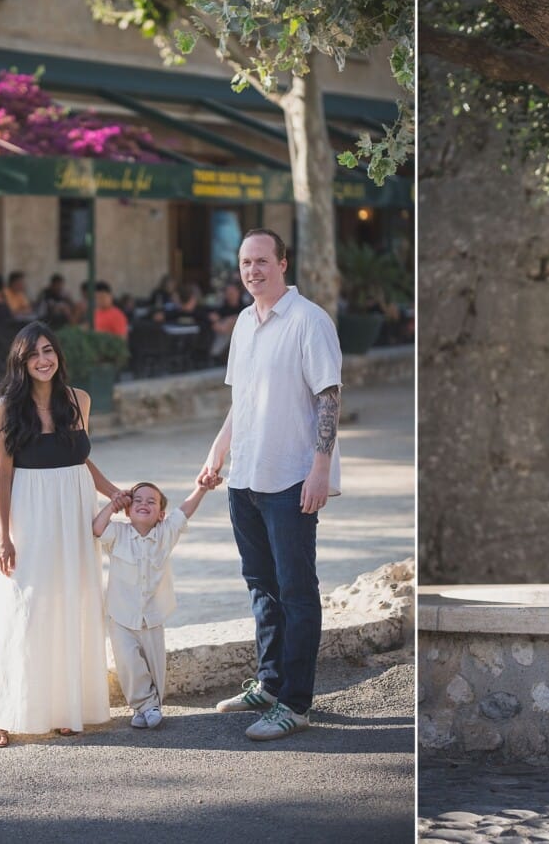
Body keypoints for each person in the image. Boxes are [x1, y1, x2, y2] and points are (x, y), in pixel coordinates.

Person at [199, 228, 343, 741]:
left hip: (291, 479)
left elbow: (328, 396)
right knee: (261, 586)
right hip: (246, 478)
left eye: (262, 261)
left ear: (283, 263)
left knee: (297, 591)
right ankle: (269, 682)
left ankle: (296, 704)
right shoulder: (243, 323)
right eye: (245, 263)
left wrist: (321, 468)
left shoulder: (309, 321)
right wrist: (217, 454)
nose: (253, 270)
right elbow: (242, 402)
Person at [0, 321, 126, 748]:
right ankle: (2, 714)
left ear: (58, 354)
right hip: (27, 514)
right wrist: (4, 535)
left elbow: (78, 458)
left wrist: (114, 492)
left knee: (68, 604)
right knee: (21, 606)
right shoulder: (7, 408)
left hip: (74, 514)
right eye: (33, 354)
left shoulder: (79, 400)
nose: (43, 360)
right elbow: (2, 475)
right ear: (20, 363)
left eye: (48, 351)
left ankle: (63, 708)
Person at [93, 475, 221, 730]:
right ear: (128, 510)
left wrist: (201, 489)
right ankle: (145, 703)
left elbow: (184, 511)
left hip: (152, 615)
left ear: (161, 514)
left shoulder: (166, 533)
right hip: (121, 615)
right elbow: (97, 528)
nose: (144, 503)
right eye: (137, 500)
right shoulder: (118, 533)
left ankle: (149, 706)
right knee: (129, 662)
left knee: (154, 664)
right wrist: (113, 503)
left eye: (151, 501)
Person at [207, 282, 245, 360]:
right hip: (221, 334)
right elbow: (214, 320)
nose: (230, 294)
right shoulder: (222, 308)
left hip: (239, 337)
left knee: (233, 320)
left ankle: (216, 353)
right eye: (228, 292)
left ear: (238, 292)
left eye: (232, 291)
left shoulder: (245, 308)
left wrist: (229, 322)